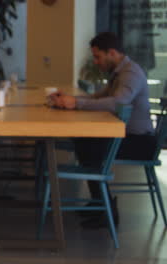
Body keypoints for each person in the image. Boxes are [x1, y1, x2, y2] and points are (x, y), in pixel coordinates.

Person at [49, 32, 157, 228]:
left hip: (141, 142)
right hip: (129, 137)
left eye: (98, 56)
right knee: (84, 141)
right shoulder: (119, 73)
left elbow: (118, 102)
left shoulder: (130, 73)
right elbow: (99, 98)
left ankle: (107, 211)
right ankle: (99, 204)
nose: (96, 62)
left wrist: (76, 104)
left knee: (90, 147)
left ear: (112, 53)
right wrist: (72, 100)